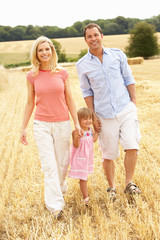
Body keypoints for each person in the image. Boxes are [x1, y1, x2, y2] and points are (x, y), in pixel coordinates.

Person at [76, 23, 141, 201]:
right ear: (86, 40)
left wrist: (133, 103)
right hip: (104, 115)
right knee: (109, 154)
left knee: (131, 144)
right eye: (89, 36)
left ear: (102, 36)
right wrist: (93, 115)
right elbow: (87, 92)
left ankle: (129, 183)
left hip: (125, 109)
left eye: (96, 35)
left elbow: (129, 78)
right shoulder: (82, 65)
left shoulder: (118, 55)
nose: (93, 39)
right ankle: (111, 187)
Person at [20, 36, 81, 219]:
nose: (44, 52)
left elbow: (70, 98)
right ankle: (55, 206)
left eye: (47, 49)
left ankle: (60, 187)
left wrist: (76, 122)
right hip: (42, 125)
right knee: (49, 165)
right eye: (40, 50)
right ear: (36, 54)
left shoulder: (62, 73)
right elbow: (30, 103)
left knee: (62, 163)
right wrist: (23, 127)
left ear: (52, 51)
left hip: (62, 122)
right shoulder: (31, 76)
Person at [68, 108, 98, 205]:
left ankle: (85, 194)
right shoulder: (76, 132)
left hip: (87, 158)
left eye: (90, 118)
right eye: (85, 119)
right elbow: (76, 146)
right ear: (78, 120)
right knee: (83, 178)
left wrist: (97, 132)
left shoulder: (90, 130)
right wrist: (76, 138)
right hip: (80, 158)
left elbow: (93, 140)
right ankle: (85, 197)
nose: (88, 121)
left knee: (84, 177)